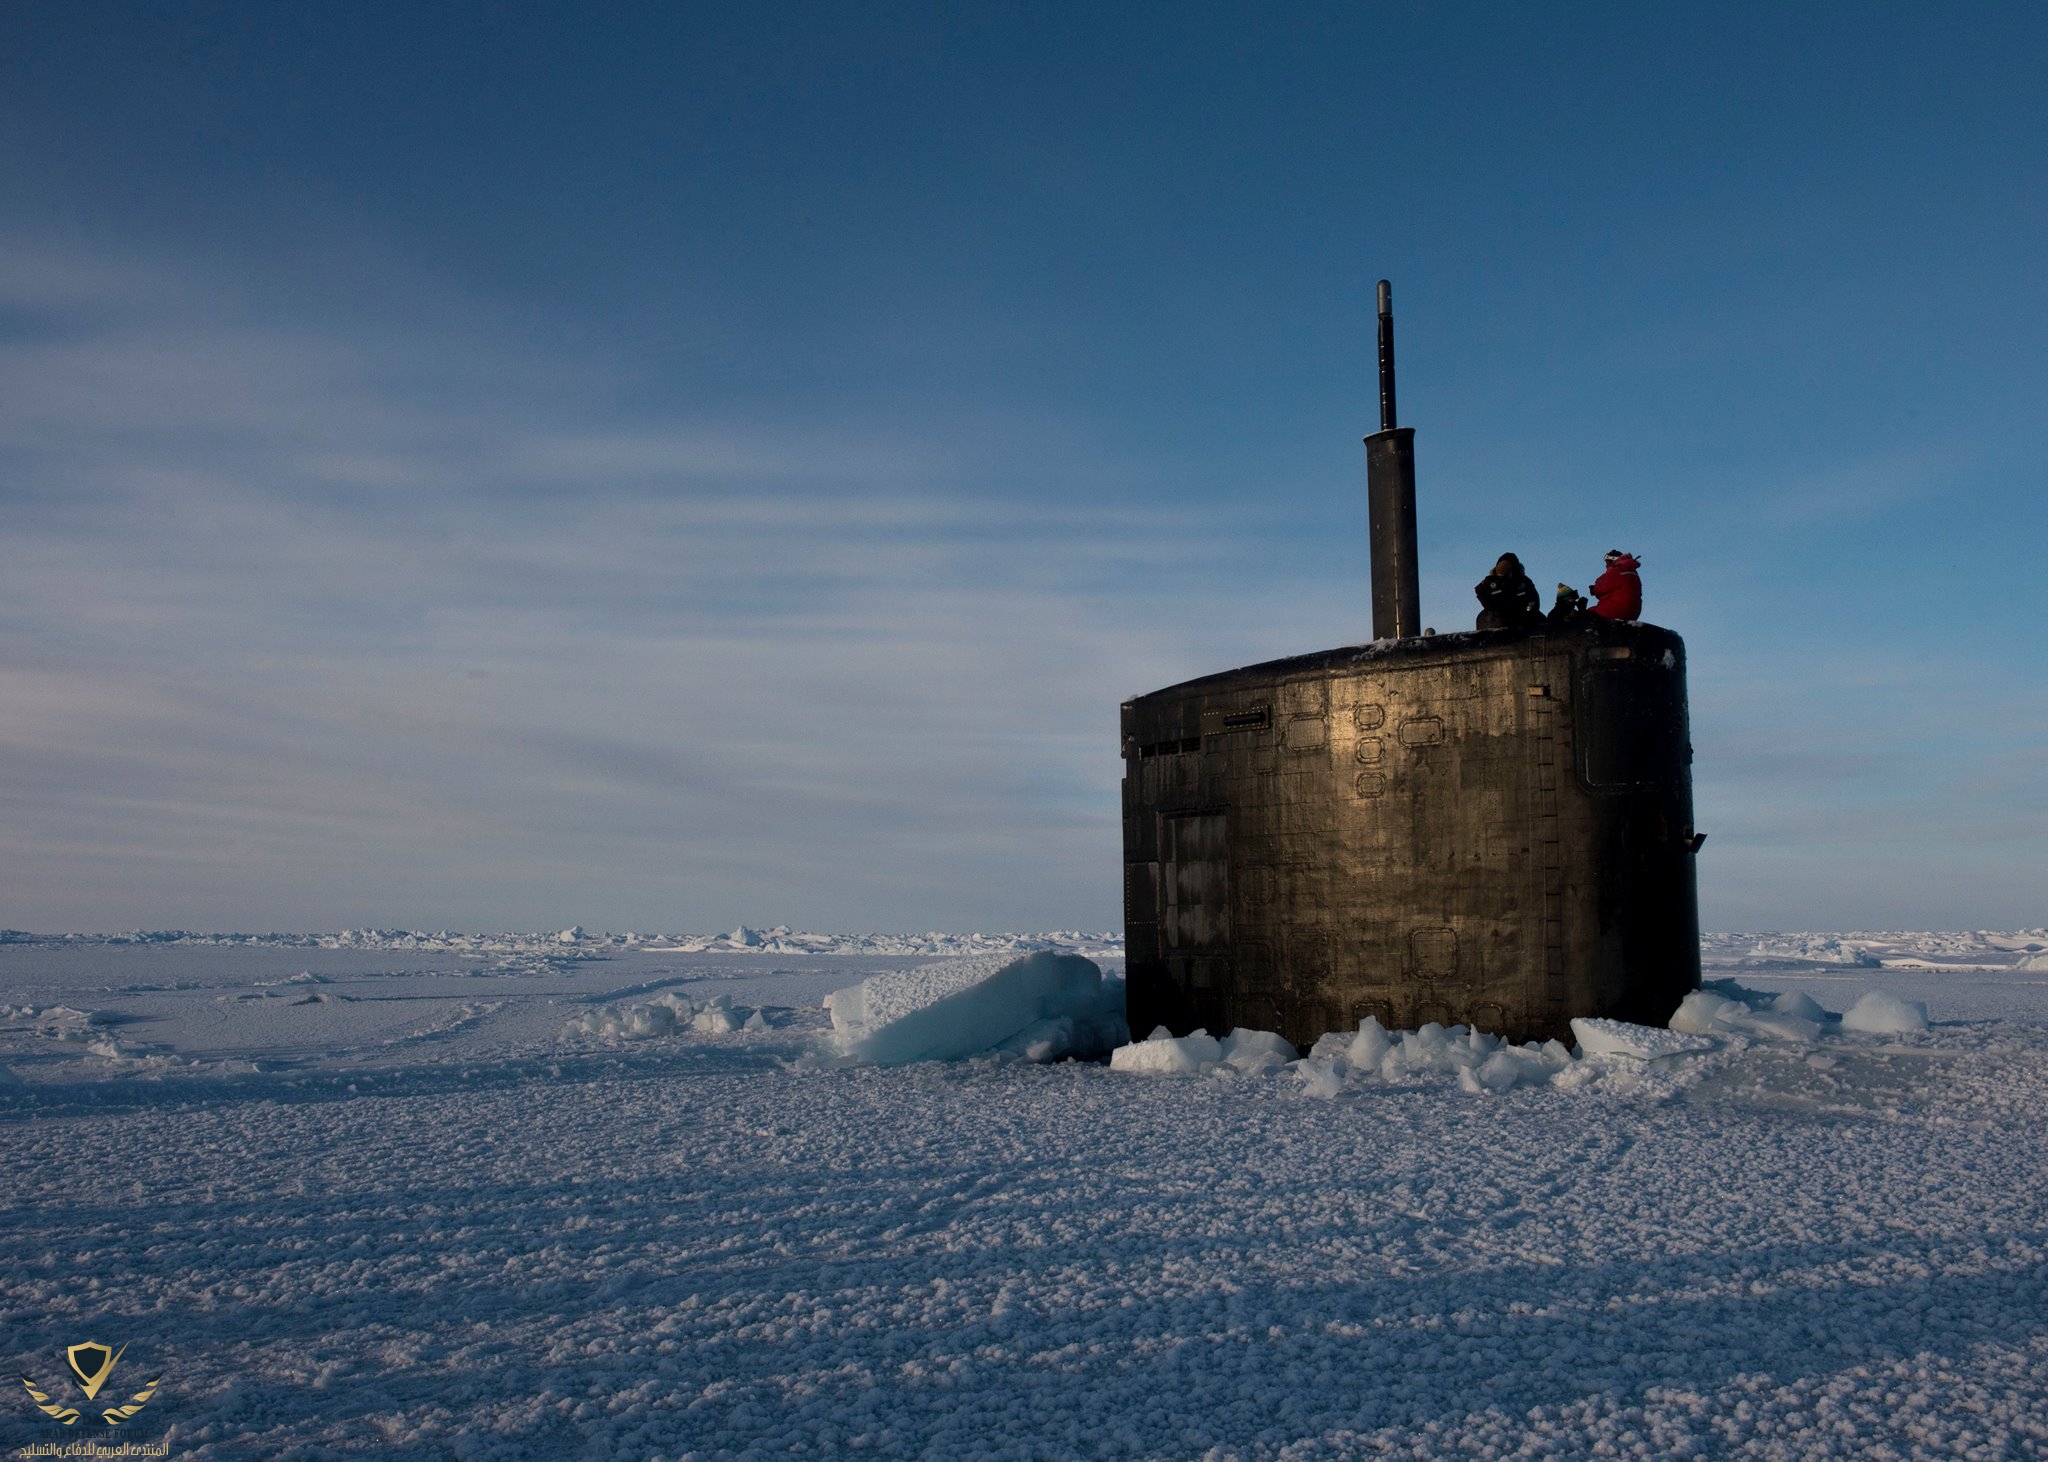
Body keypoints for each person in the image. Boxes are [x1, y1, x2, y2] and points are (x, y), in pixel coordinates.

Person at [1474, 553, 1543, 630]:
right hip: (1499, 618)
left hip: (1522, 616)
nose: (1502, 580)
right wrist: (1490, 606)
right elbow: (1479, 590)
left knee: (1541, 621)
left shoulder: (1524, 583)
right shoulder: (1490, 581)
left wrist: (1527, 612)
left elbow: (1533, 599)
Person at [1589, 549, 1642, 621]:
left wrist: (1594, 589)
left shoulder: (1617, 569)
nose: (1606, 564)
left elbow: (1602, 588)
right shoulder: (1631, 570)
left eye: (1607, 561)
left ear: (1612, 560)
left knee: (1586, 615)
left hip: (1615, 609)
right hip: (1633, 611)